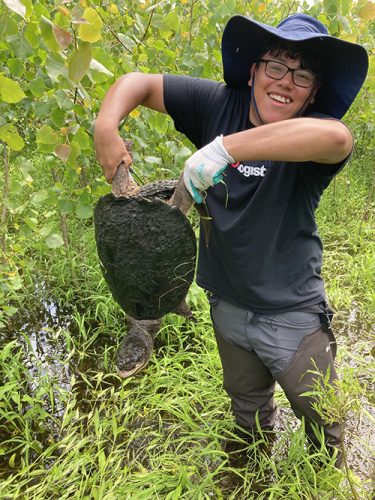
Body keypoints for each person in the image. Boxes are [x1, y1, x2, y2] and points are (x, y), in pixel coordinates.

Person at [94, 13, 368, 466]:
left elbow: (338, 138)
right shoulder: (218, 103)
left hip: (292, 311)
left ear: (314, 90)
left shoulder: (312, 133)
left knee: (323, 421)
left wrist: (225, 149)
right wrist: (107, 125)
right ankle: (251, 473)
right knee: (248, 412)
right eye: (276, 66)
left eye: (303, 75)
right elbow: (137, 82)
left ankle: (324, 480)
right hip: (226, 301)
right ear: (254, 70)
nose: (286, 82)